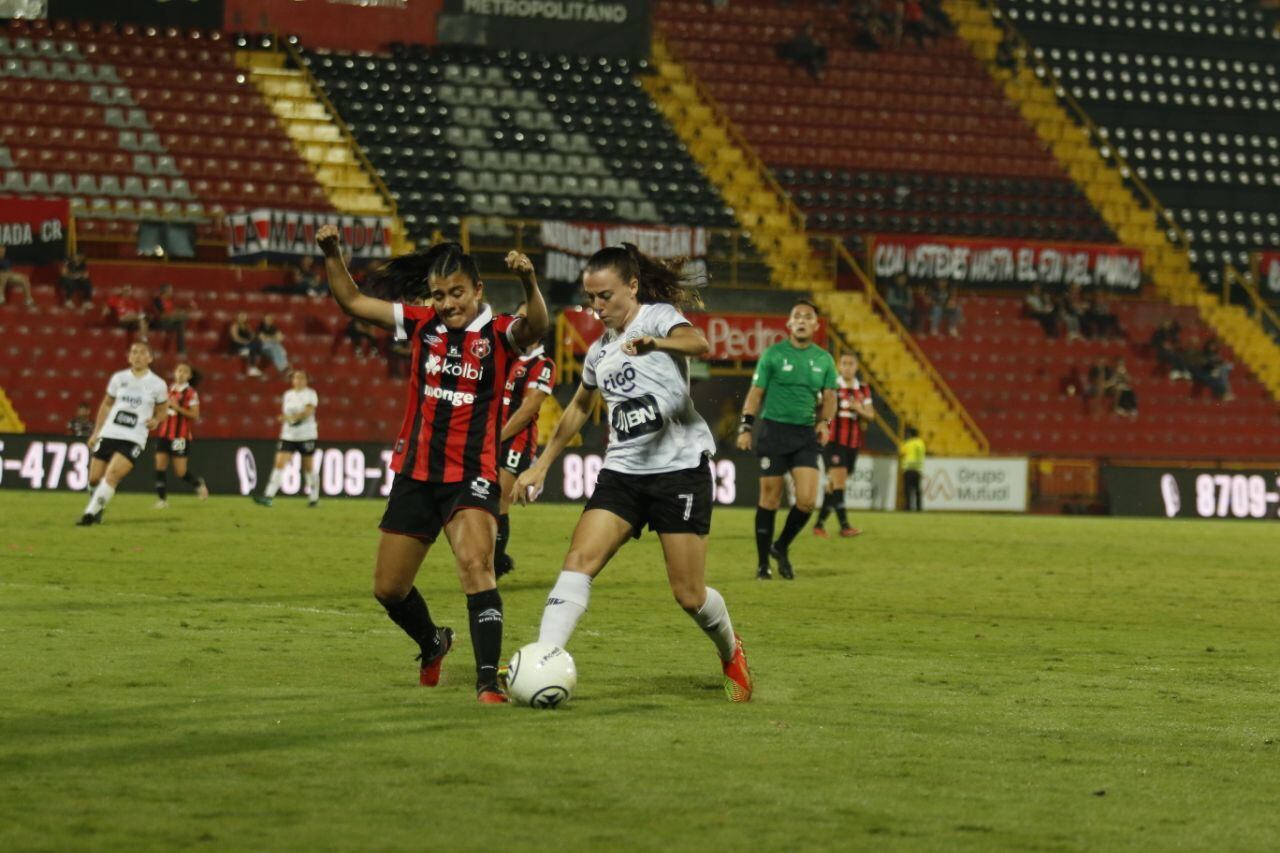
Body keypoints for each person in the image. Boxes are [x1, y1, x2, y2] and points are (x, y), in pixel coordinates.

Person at [316, 222, 548, 704]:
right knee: (389, 589)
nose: (447, 303)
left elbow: (538, 327)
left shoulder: (501, 333)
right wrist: (333, 252)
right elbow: (353, 302)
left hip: (471, 474)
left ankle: (489, 682)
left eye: (457, 293)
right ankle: (433, 642)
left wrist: (529, 282)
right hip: (415, 474)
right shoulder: (421, 322)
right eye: (440, 294)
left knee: (476, 565)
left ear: (478, 290)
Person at [512, 243, 753, 703]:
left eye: (605, 296)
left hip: (679, 472)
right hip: (623, 472)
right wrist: (541, 464)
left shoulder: (657, 318)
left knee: (689, 594)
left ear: (633, 288)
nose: (597, 307)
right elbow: (581, 405)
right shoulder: (599, 352)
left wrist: (655, 343)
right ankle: (545, 655)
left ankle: (730, 650)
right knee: (579, 561)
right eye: (590, 298)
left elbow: (699, 343)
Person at [736, 299, 838, 580]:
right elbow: (756, 393)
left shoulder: (824, 360)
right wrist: (745, 427)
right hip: (774, 431)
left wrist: (825, 424)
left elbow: (830, 397)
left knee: (806, 501)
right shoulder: (773, 355)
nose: (803, 320)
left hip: (804, 434)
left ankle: (780, 547)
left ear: (816, 326)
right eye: (798, 316)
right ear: (790, 324)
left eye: (808, 317)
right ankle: (762, 564)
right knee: (769, 499)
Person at [77, 342, 170, 526]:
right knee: (94, 478)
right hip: (110, 432)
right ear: (129, 357)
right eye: (134, 352)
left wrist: (156, 421)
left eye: (143, 353)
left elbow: (163, 410)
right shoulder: (119, 378)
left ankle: (89, 515)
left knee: (112, 475)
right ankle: (98, 505)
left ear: (150, 358)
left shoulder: (158, 384)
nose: (137, 356)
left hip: (133, 437)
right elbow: (107, 404)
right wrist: (96, 432)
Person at [495, 302, 556, 579]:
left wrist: (497, 438)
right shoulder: (504, 356)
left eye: (522, 318)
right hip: (493, 438)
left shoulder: (543, 365)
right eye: (515, 317)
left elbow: (529, 409)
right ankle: (493, 559)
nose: (516, 323)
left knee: (498, 502)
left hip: (514, 442)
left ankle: (494, 564)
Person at [814, 351, 873, 538]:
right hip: (833, 442)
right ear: (839, 367)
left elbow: (871, 415)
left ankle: (819, 525)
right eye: (844, 363)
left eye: (851, 364)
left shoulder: (863, 389)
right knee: (839, 482)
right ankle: (845, 526)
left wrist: (859, 409)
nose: (847, 367)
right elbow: (819, 409)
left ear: (856, 367)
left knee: (834, 486)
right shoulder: (832, 387)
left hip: (852, 443)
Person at [252, 369, 320, 508]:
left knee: (308, 467)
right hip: (288, 435)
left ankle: (314, 497)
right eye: (296, 378)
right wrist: (285, 418)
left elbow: (308, 412)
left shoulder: (310, 394)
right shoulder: (288, 395)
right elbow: (286, 414)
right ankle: (268, 496)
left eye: (301, 378)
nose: (298, 380)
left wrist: (290, 418)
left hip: (306, 435)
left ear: (306, 380)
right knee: (279, 464)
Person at [153, 362, 209, 508]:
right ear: (174, 372)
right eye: (179, 371)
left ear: (189, 376)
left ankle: (198, 483)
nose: (181, 374)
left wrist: (177, 407)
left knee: (180, 472)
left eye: (184, 372)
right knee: (160, 467)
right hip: (164, 434)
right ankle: (162, 500)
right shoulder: (167, 390)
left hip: (180, 437)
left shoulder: (191, 393)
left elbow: (195, 415)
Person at [150, 283, 191, 355]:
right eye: (170, 290)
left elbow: (172, 311)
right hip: (159, 323)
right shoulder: (157, 300)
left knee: (181, 324)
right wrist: (176, 315)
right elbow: (162, 315)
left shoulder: (169, 300)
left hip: (169, 321)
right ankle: (181, 350)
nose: (172, 292)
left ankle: (181, 350)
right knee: (181, 321)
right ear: (165, 291)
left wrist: (178, 313)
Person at [227, 312, 264, 377]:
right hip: (237, 345)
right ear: (237, 317)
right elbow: (235, 338)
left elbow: (252, 335)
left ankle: (248, 352)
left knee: (258, 342)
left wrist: (258, 337)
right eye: (241, 316)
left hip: (247, 344)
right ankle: (252, 367)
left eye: (244, 316)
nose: (242, 318)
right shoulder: (234, 326)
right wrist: (245, 341)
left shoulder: (247, 326)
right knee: (254, 346)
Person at [899, 426, 925, 511]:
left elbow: (902, 453)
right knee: (917, 489)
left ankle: (908, 507)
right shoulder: (921, 443)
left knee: (908, 490)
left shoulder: (908, 443)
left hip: (908, 468)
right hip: (918, 469)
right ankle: (919, 508)